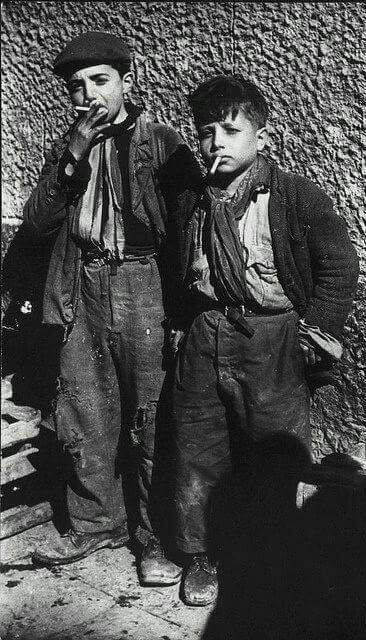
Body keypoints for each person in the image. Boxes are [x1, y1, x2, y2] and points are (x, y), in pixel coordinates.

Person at [169, 75, 359, 606]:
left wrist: (314, 333)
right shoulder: (193, 201)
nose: (216, 143)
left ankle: (271, 554)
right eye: (205, 132)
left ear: (262, 137)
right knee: (198, 445)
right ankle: (202, 554)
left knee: (273, 450)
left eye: (231, 130)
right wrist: (182, 326)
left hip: (272, 337)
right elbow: (176, 268)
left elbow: (339, 266)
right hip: (206, 332)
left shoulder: (297, 197)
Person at [24, 31, 201, 585]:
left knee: (151, 414)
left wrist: (182, 312)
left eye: (100, 80)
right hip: (81, 282)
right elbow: (37, 223)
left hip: (144, 285)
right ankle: (97, 522)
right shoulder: (67, 147)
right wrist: (74, 152)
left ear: (127, 81)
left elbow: (189, 229)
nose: (89, 95)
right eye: (77, 86)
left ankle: (153, 535)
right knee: (85, 410)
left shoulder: (162, 143)